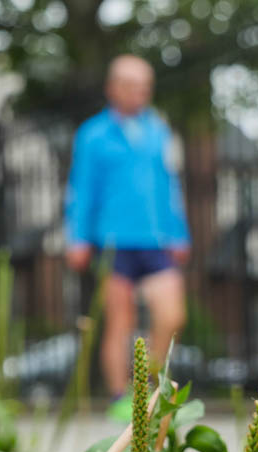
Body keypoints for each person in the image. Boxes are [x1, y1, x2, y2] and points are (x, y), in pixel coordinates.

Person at [65, 54, 190, 398]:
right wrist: (77, 238)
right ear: (112, 88)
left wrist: (179, 232)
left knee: (172, 314)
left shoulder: (159, 131)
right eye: (131, 86)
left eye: (144, 87)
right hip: (112, 243)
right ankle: (121, 398)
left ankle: (148, 388)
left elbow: (171, 187)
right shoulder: (92, 134)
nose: (139, 93)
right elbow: (81, 189)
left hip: (155, 240)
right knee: (120, 323)